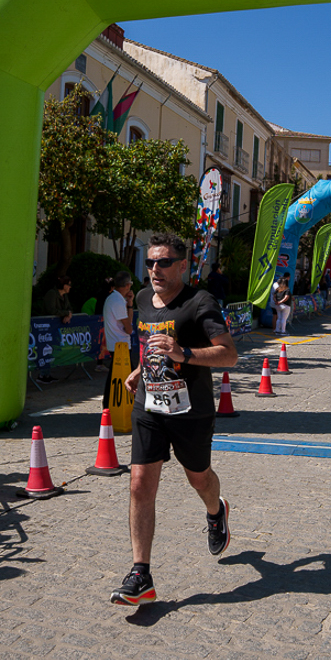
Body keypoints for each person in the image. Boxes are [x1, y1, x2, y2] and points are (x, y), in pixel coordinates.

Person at [110, 233, 238, 606]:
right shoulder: (142, 299)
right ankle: (141, 575)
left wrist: (184, 354)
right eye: (151, 262)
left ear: (182, 265)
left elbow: (229, 354)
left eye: (164, 262)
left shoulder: (200, 302)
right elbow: (152, 346)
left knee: (199, 478)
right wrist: (140, 370)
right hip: (149, 406)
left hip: (190, 410)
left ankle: (216, 511)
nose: (155, 269)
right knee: (139, 484)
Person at [101, 270, 135, 409]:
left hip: (117, 343)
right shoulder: (117, 300)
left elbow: (128, 323)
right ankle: (111, 405)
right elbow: (129, 329)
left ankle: (109, 405)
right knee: (127, 375)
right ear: (127, 285)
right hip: (120, 344)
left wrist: (130, 304)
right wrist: (129, 305)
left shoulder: (116, 299)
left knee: (116, 375)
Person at [39, 275, 73, 384]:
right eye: (69, 284)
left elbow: (69, 309)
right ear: (64, 285)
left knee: (51, 350)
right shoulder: (52, 294)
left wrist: (68, 314)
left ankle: (47, 373)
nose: (70, 287)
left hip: (55, 328)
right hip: (46, 327)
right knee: (45, 350)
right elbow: (51, 310)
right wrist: (66, 313)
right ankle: (43, 374)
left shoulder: (65, 296)